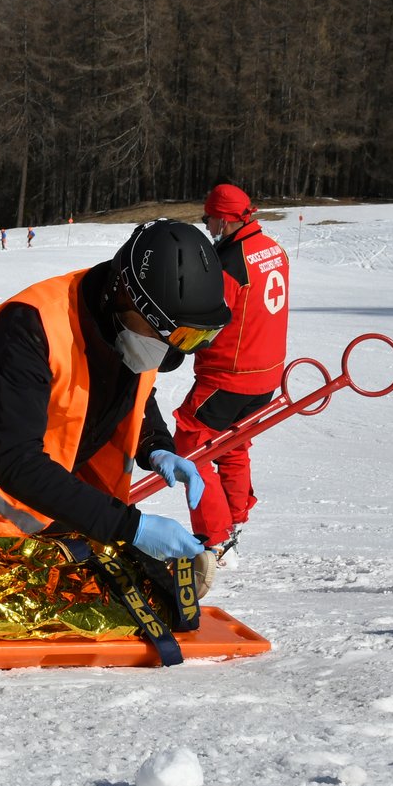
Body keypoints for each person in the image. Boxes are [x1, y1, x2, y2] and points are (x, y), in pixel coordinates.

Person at [0, 219, 232, 593]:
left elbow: (135, 392)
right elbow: (17, 463)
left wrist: (156, 445)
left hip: (38, 513)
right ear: (128, 297)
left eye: (195, 337)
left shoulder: (126, 331)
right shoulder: (29, 328)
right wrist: (131, 528)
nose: (176, 350)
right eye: (178, 335)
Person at [174, 183, 290, 557]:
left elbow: (208, 319)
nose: (207, 226)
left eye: (209, 219)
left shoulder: (228, 263)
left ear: (223, 219)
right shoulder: (275, 250)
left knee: (192, 446)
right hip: (267, 376)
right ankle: (235, 521)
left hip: (229, 377)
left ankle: (214, 537)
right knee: (232, 445)